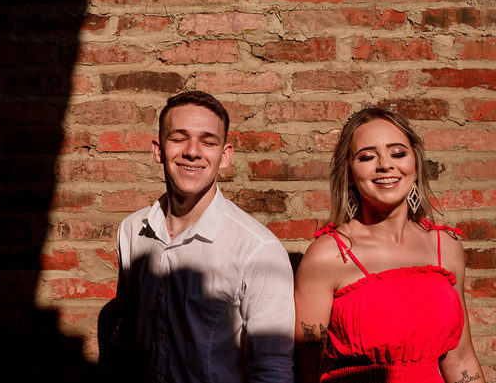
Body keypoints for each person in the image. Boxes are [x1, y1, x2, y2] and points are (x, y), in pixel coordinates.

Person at [110, 91, 294, 382]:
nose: (192, 151)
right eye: (179, 138)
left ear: (225, 155)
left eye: (208, 142)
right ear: (158, 150)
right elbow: (127, 337)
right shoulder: (132, 231)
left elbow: (272, 370)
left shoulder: (258, 250)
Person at [294, 107, 486, 383]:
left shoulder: (446, 246)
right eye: (367, 157)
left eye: (397, 153)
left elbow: (461, 360)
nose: (385, 165)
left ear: (415, 166)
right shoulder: (328, 255)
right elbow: (305, 371)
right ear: (349, 173)